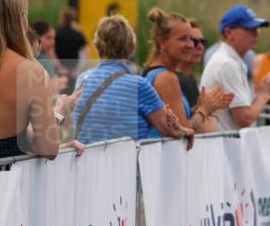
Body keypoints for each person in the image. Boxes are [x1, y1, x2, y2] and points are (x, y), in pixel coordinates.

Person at [71, 15, 193, 144]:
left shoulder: (82, 80)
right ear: (131, 48)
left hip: (88, 162)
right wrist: (186, 131)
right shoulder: (139, 85)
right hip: (127, 162)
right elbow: (169, 130)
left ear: (97, 46)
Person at [0, 0, 67, 166]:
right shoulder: (31, 71)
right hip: (3, 183)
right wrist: (58, 113)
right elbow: (48, 148)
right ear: (21, 20)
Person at [142, 8, 234, 136]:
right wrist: (205, 109)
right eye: (182, 39)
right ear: (163, 42)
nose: (190, 45)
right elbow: (184, 130)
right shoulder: (166, 78)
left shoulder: (155, 73)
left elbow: (176, 122)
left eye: (191, 39)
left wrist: (201, 106)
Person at [201, 5, 270, 130]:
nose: (257, 33)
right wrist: (266, 93)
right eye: (249, 29)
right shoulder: (227, 63)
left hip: (225, 144)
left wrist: (263, 89)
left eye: (257, 29)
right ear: (229, 32)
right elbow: (244, 119)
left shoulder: (230, 60)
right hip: (226, 146)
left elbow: (244, 112)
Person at [177, 19, 206, 108]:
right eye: (194, 42)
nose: (200, 47)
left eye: (203, 42)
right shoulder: (174, 78)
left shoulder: (190, 78)